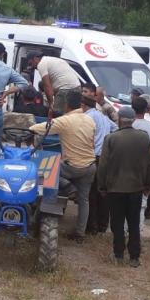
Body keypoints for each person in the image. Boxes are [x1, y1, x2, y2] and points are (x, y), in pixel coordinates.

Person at [30, 90, 96, 242]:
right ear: (80, 104)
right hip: (90, 166)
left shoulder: (64, 121)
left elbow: (40, 128)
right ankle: (80, 234)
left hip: (72, 166)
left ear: (66, 105)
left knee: (43, 169)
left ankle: (68, 187)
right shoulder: (89, 120)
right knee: (84, 200)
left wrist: (29, 127)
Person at [97, 106, 150, 266]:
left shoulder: (111, 138)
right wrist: (148, 184)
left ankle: (118, 254)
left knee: (117, 222)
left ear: (120, 119)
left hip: (115, 188)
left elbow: (103, 165)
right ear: (133, 120)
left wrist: (101, 186)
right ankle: (135, 257)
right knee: (134, 223)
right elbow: (148, 163)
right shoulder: (143, 138)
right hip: (136, 188)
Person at [84, 93, 117, 235]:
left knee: (91, 193)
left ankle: (92, 226)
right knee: (103, 192)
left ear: (83, 105)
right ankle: (103, 224)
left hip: (94, 157)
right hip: (106, 157)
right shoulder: (103, 117)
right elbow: (115, 128)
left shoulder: (88, 117)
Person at [131, 96, 150, 220]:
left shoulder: (128, 123)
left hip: (126, 166)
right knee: (142, 199)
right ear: (146, 109)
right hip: (144, 166)